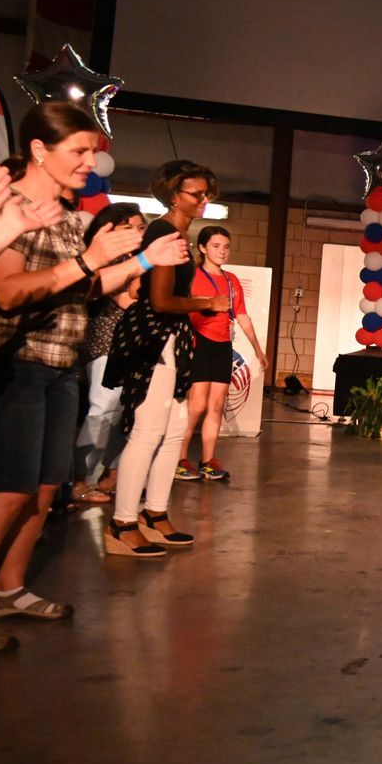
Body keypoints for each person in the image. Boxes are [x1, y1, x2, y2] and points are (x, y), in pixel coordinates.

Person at [0, 102, 186, 652]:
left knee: (45, 487)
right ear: (39, 150)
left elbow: (81, 287)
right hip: (17, 362)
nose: (93, 161)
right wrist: (90, 262)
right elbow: (9, 293)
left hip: (62, 362)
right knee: (8, 486)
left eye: (93, 150)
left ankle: (8, 587)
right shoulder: (5, 206)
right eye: (80, 151)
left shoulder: (67, 216)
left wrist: (140, 262)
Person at [105, 160, 223, 557]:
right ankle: (123, 522)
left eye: (207, 193)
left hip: (173, 338)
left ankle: (154, 514)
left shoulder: (177, 234)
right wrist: (207, 301)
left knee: (174, 429)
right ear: (174, 195)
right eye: (197, 194)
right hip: (156, 339)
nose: (204, 200)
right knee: (149, 429)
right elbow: (159, 301)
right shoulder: (164, 232)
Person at [176, 226, 270, 482]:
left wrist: (258, 350)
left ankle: (207, 460)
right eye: (216, 246)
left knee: (216, 405)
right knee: (196, 405)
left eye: (226, 246)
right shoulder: (193, 277)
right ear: (203, 248)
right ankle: (179, 459)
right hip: (200, 343)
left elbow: (242, 316)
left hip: (222, 345)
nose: (222, 251)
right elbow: (181, 310)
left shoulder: (231, 280)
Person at [71, 204, 146, 505]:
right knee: (102, 408)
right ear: (115, 226)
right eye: (135, 226)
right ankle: (79, 481)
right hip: (105, 340)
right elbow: (128, 299)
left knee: (119, 412)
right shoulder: (108, 257)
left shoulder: (134, 260)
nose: (141, 232)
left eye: (142, 227)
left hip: (130, 343)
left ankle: (108, 475)